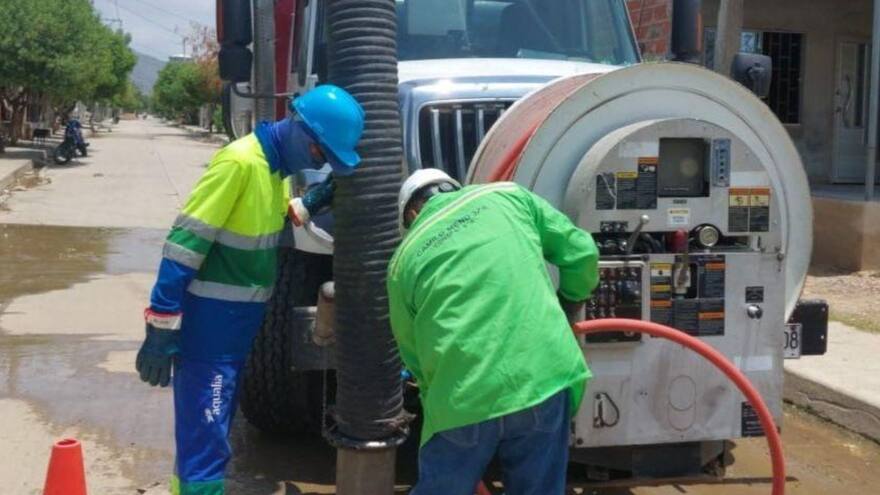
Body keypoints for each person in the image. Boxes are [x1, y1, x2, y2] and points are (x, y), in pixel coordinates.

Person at [134, 85, 365, 495]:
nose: (318, 161)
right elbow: (185, 243)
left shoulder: (272, 171)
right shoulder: (240, 162)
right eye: (319, 153)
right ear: (297, 126)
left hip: (235, 333)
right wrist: (161, 322)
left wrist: (314, 200)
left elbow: (270, 225)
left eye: (326, 159)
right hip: (210, 333)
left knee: (208, 434)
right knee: (205, 439)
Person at [387, 169, 600, 495]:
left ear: (412, 214)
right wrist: (567, 308)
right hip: (543, 379)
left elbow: (411, 348)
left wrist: (433, 391)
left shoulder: (403, 260)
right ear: (452, 189)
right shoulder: (508, 197)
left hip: (462, 396)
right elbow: (582, 253)